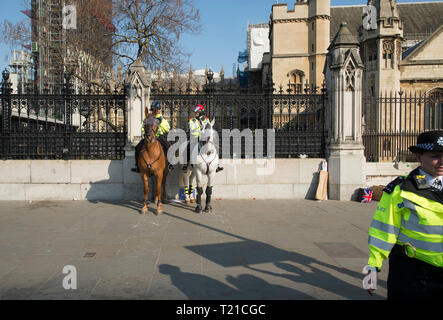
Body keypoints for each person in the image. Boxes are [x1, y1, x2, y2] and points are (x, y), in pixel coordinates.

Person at [363, 130, 443, 300]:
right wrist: (373, 267)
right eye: (435, 156)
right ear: (419, 157)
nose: (441, 161)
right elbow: (384, 230)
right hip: (414, 273)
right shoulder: (402, 189)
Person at [131, 101, 174, 172]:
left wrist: (159, 125)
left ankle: (169, 164)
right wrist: (145, 131)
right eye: (153, 110)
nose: (155, 111)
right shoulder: (147, 118)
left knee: (168, 146)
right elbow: (142, 126)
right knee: (137, 147)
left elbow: (167, 128)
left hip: (159, 137)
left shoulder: (162, 119)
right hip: (148, 136)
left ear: (159, 110)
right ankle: (137, 166)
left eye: (156, 110)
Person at [182, 104, 223, 173]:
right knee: (188, 147)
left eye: (197, 112)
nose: (196, 114)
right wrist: (200, 127)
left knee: (214, 146)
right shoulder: (192, 120)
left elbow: (209, 127)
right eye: (195, 113)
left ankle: (217, 165)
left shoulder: (206, 119)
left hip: (204, 137)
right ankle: (185, 164)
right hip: (195, 137)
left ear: (201, 112)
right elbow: (191, 128)